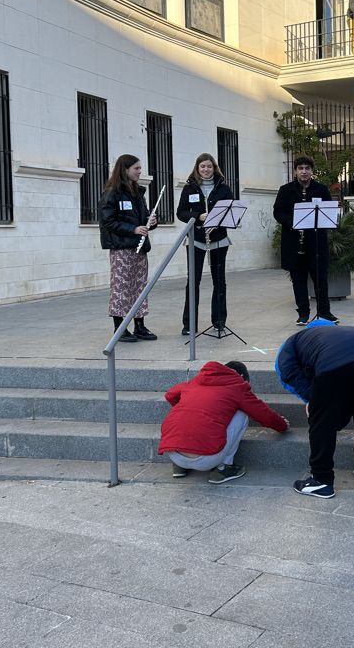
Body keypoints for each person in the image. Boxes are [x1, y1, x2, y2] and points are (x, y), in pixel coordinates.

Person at [276, 321, 354, 498]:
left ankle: (321, 480)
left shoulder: (293, 341)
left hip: (336, 363)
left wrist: (312, 400)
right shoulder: (335, 334)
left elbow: (286, 371)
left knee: (321, 421)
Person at [159, 360, 289, 483]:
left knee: (182, 410)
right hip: (207, 460)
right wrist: (282, 426)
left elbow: (170, 395)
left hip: (173, 453)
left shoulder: (195, 382)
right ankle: (223, 468)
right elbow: (263, 414)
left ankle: (179, 466)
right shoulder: (237, 386)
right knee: (242, 413)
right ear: (242, 376)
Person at [273, 155, 338, 326]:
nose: (304, 171)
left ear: (312, 171)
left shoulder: (321, 189)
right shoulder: (285, 190)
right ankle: (303, 313)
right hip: (294, 241)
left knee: (320, 277)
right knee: (298, 278)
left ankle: (325, 312)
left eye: (307, 168)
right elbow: (278, 212)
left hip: (316, 241)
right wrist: (292, 223)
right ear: (295, 171)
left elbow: (328, 212)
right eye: (300, 168)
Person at [99, 154, 157, 342]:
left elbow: (144, 218)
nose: (140, 172)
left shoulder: (138, 193)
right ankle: (120, 328)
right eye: (136, 169)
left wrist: (151, 222)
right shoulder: (112, 193)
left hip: (140, 248)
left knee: (140, 286)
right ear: (125, 170)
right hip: (121, 248)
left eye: (140, 168)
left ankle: (139, 325)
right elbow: (108, 221)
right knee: (121, 287)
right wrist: (132, 229)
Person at [176, 153, 236, 336]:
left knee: (220, 281)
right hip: (197, 239)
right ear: (197, 168)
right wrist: (197, 216)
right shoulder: (189, 188)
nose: (206, 170)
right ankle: (189, 324)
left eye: (209, 166)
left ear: (214, 168)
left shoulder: (223, 189)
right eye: (202, 166)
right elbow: (181, 213)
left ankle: (219, 321)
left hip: (218, 239)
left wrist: (218, 220)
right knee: (193, 281)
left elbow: (231, 212)